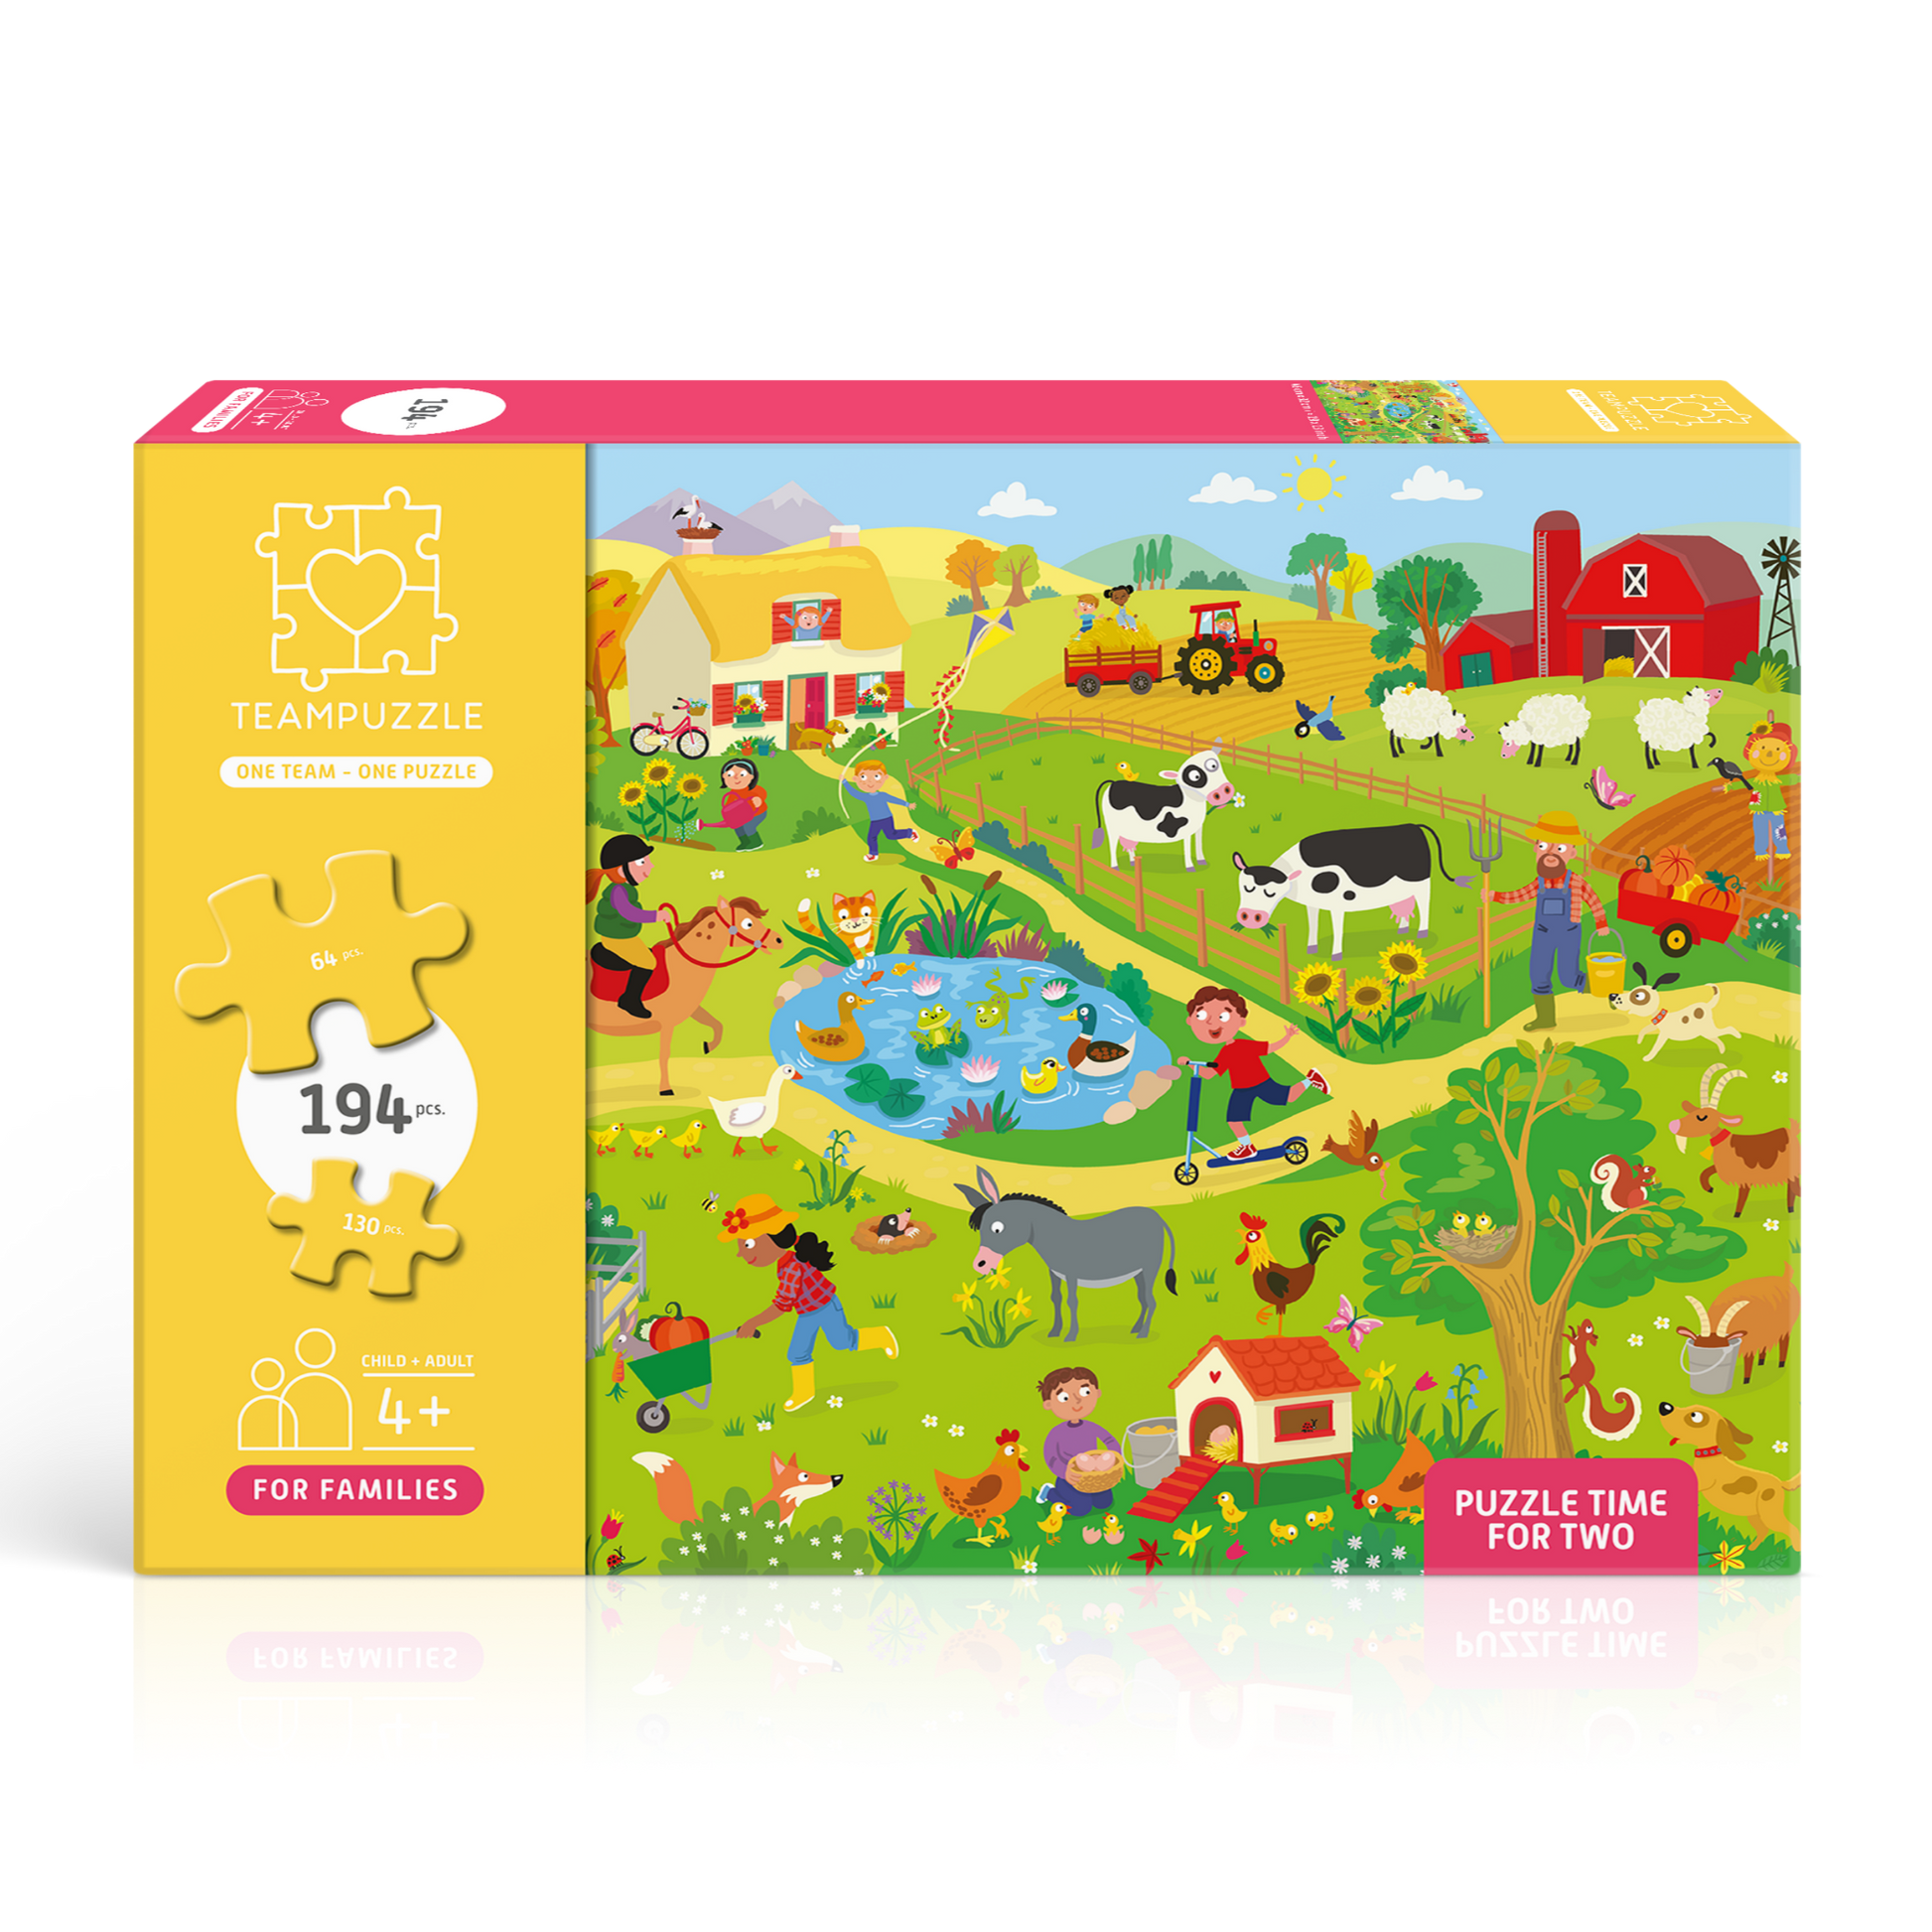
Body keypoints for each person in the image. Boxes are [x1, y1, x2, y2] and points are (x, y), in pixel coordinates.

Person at [724, 1193, 898, 1414]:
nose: (741, 1253)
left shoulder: (791, 1268)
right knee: (797, 1353)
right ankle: (804, 1392)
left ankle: (881, 1336)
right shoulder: (786, 1264)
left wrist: (752, 1323)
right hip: (808, 1312)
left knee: (842, 1342)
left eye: (748, 1244)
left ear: (774, 1238)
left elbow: (782, 1304)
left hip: (825, 1307)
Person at [1480, 808, 1608, 1032]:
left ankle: (1606, 988)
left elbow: (1593, 899)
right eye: (1543, 846)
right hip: (1542, 933)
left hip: (1569, 933)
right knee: (1538, 976)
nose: (1550, 854)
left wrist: (1601, 924)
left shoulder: (1576, 882)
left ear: (1571, 853)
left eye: (1559, 848)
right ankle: (1545, 1019)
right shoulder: (1538, 882)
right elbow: (1519, 895)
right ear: (1535, 848)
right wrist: (1495, 896)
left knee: (1568, 977)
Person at [1180, 984, 1330, 1162]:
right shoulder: (1224, 1052)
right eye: (1202, 1016)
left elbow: (1270, 1048)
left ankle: (1310, 1080)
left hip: (1261, 1082)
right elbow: (1209, 1074)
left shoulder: (1244, 1045)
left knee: (1289, 1097)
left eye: (1223, 1017)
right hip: (1241, 1089)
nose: (1213, 1023)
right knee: (1234, 1120)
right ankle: (1247, 1147)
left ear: (1240, 1021)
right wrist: (1190, 1064)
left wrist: (1287, 1036)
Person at [1033, 1366, 1123, 1541]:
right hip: (1070, 1479)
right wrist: (1065, 1472)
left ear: (1097, 1393)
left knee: (1105, 1503)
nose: (1077, 1401)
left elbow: (1110, 1440)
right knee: (1080, 1509)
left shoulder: (1091, 1427)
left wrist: (1114, 1457)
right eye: (1064, 1397)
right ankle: (1049, 1493)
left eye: (1085, 1392)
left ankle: (1087, 1495)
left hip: (1096, 1475)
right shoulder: (1056, 1433)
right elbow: (1051, 1457)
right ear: (1049, 1404)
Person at [586, 834, 664, 1019]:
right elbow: (630, 913)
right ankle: (630, 999)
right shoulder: (618, 890)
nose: (650, 866)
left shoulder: (626, 889)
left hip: (626, 936)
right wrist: (656, 916)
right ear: (621, 870)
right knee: (649, 962)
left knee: (646, 953)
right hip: (617, 939)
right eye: (642, 862)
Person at [842, 757, 917, 862]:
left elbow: (894, 800)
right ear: (856, 779)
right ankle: (873, 854)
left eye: (876, 776)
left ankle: (910, 833)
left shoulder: (882, 795)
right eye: (863, 777)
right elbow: (854, 793)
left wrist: (907, 804)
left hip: (887, 819)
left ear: (884, 778)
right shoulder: (865, 797)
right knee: (871, 837)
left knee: (891, 835)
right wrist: (845, 782)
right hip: (875, 821)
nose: (870, 781)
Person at [698, 756, 769, 850]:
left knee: (748, 826)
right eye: (730, 775)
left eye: (742, 774)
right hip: (743, 815)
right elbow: (729, 806)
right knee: (738, 827)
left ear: (751, 777)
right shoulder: (732, 794)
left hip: (758, 813)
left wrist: (758, 799)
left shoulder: (754, 789)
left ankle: (756, 842)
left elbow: (762, 793)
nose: (736, 778)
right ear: (724, 776)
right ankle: (745, 842)